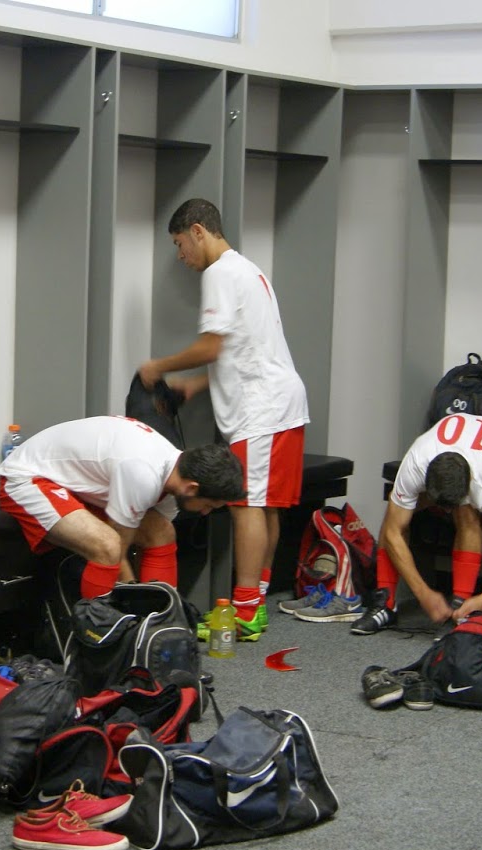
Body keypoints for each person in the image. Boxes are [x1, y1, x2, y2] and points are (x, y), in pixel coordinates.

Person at [137, 197, 309, 641]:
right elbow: (244, 348)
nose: (181, 256)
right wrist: (197, 385)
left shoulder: (218, 274)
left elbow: (212, 347)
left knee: (244, 504)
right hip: (280, 404)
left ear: (198, 231)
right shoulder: (248, 270)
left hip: (262, 409)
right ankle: (257, 604)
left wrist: (160, 366)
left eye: (180, 244)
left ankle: (246, 611)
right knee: (264, 505)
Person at [0, 415, 244, 600]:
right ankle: (102, 637)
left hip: (78, 484)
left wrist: (148, 602)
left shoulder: (175, 474)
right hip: (29, 477)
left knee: (162, 533)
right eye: (208, 505)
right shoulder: (143, 473)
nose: (205, 512)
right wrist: (133, 600)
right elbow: (118, 552)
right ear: (191, 487)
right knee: (107, 547)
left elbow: (145, 541)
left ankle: (162, 620)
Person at [346, 412, 482, 634]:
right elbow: (393, 531)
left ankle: (460, 607)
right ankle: (385, 604)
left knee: (466, 511)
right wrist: (423, 593)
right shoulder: (416, 462)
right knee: (394, 514)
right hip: (456, 460)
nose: (446, 513)